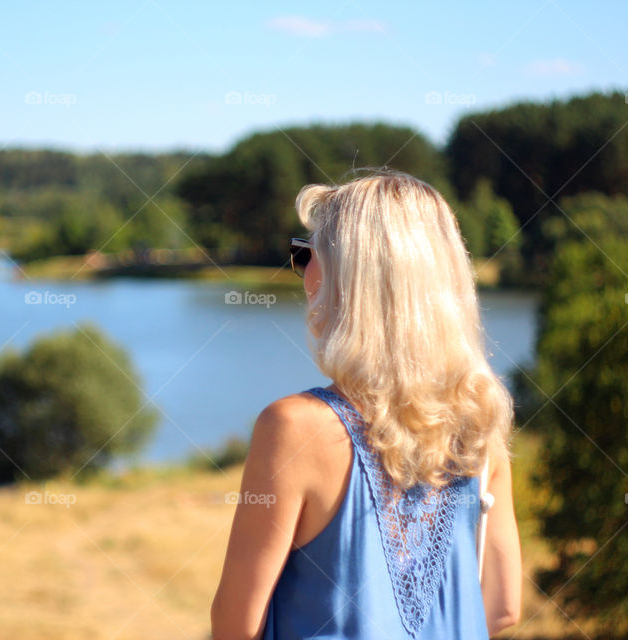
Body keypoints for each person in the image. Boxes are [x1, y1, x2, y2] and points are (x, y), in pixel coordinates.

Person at [211, 172, 522, 639]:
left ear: (349, 279)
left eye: (306, 253)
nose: (302, 271)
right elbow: (501, 610)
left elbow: (235, 628)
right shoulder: (479, 427)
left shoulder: (294, 428)